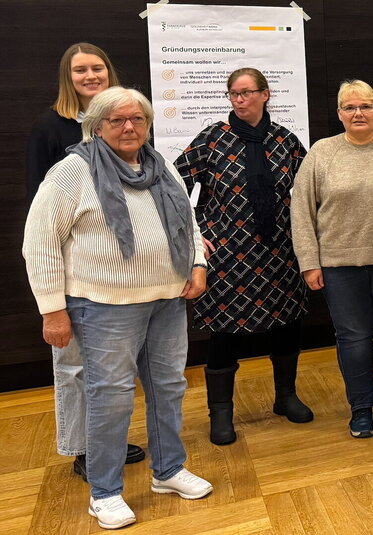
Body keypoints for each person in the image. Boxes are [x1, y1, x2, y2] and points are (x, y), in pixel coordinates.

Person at [24, 86, 213, 530]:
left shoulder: (159, 166)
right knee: (110, 399)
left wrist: (199, 264)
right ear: (96, 126)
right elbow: (40, 242)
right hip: (103, 305)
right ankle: (104, 492)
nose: (130, 127)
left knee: (168, 387)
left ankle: (168, 471)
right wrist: (52, 310)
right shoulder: (72, 172)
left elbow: (188, 218)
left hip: (166, 299)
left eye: (138, 119)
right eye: (117, 120)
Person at [24, 42, 145, 481]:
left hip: (124, 272)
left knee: (114, 369)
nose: (90, 76)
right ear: (68, 78)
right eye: (80, 71)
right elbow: (40, 210)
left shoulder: (127, 120)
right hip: (77, 271)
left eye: (97, 68)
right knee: (74, 365)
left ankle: (108, 439)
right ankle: (82, 447)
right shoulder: (50, 127)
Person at [175, 68, 312, 447]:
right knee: (224, 334)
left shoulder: (286, 141)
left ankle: (285, 397)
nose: (238, 100)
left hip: (280, 253)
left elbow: (306, 193)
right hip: (229, 254)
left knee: (288, 325)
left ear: (265, 95)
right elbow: (173, 186)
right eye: (233, 93)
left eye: (246, 92)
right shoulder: (213, 139)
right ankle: (220, 413)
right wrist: (195, 235)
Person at [291, 80, 373, 439]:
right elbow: (301, 210)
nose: (358, 113)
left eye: (365, 106)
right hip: (338, 265)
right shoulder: (322, 152)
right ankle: (361, 410)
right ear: (339, 114)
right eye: (349, 108)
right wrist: (309, 261)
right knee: (354, 340)